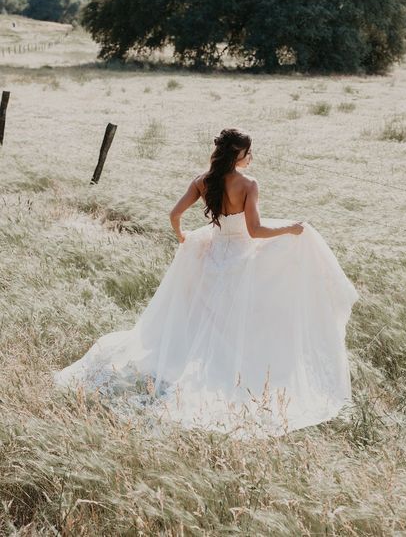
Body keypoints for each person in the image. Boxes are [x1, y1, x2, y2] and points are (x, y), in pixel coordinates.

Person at [54, 128, 359, 438]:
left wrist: (184, 238)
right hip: (241, 258)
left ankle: (203, 362)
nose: (252, 157)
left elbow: (175, 214)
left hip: (212, 255)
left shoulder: (203, 180)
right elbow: (254, 231)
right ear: (238, 155)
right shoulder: (249, 184)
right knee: (255, 297)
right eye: (249, 152)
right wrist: (290, 229)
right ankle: (236, 370)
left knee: (207, 318)